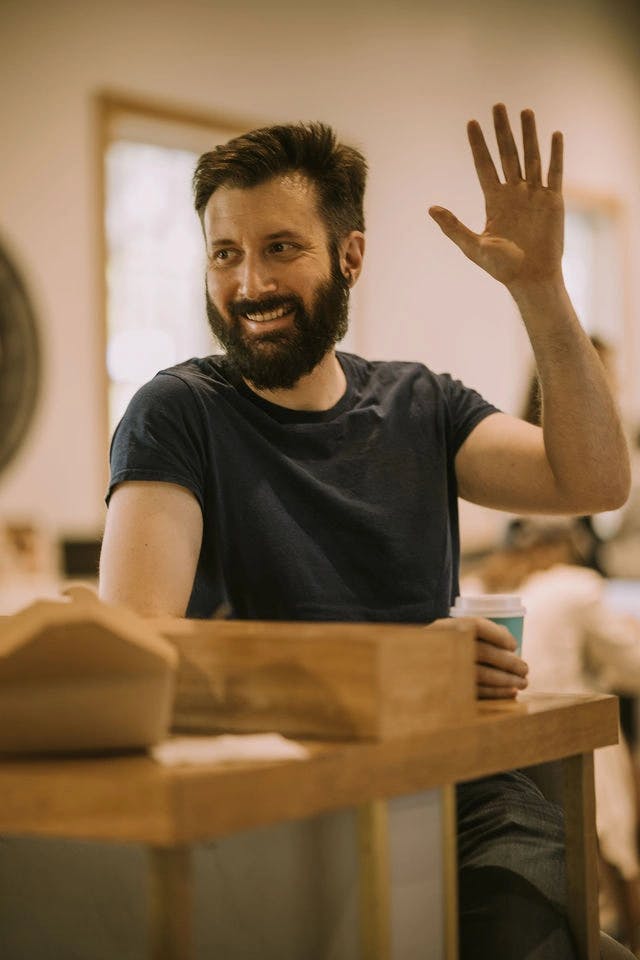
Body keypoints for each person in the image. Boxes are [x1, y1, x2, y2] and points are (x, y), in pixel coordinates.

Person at [98, 105, 632, 958]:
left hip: (464, 802)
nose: (249, 285)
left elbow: (596, 479)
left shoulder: (421, 406)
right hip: (281, 808)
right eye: (225, 254)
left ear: (350, 255)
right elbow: (131, 658)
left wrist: (539, 289)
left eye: (282, 247)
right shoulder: (177, 416)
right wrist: (412, 668)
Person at [467, 517, 640, 955]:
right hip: (568, 730)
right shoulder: (576, 585)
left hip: (493, 738)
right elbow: (632, 667)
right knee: (615, 846)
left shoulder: (475, 584)